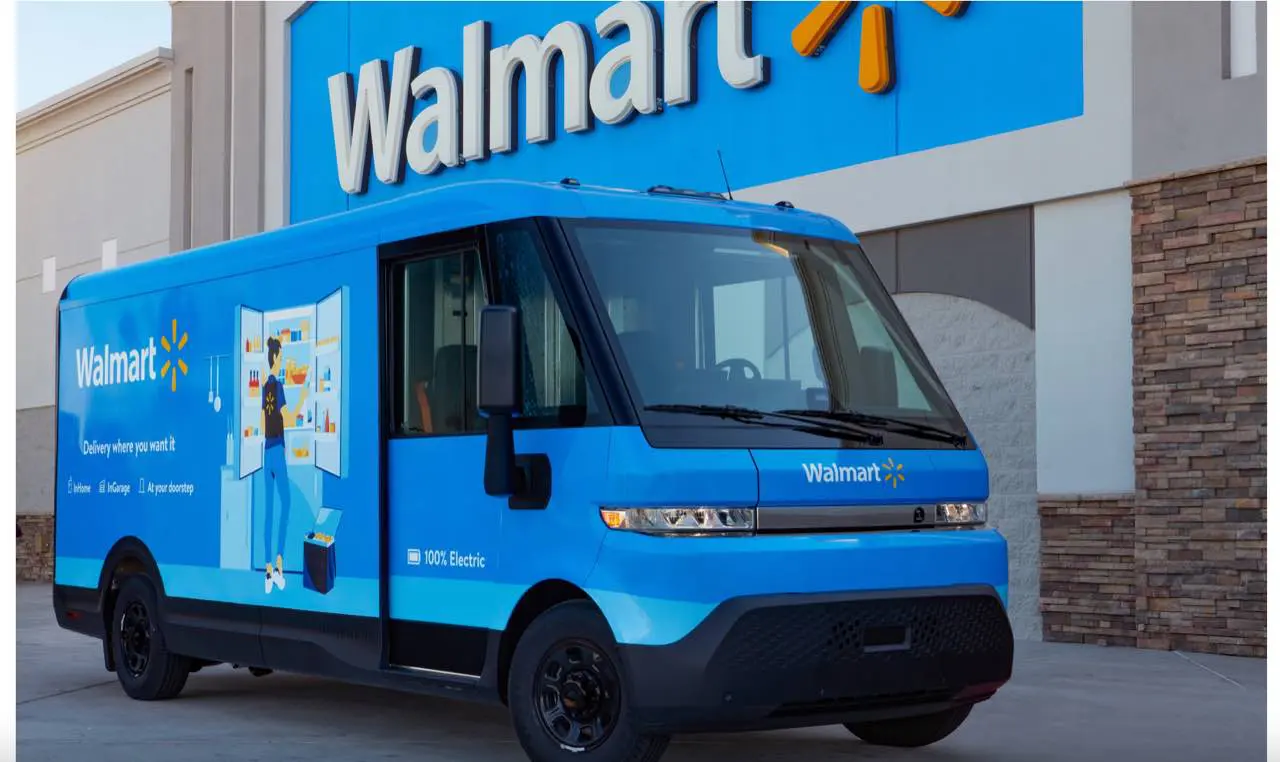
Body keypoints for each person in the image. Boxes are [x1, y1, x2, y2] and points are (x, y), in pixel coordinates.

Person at [261, 336, 306, 594]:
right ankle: (279, 564)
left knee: (268, 511)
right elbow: (288, 418)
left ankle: (268, 571)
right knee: (286, 503)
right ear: (276, 358)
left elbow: (262, 421)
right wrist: (304, 396)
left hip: (266, 451)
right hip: (277, 450)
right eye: (282, 355)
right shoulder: (278, 387)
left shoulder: (264, 387)